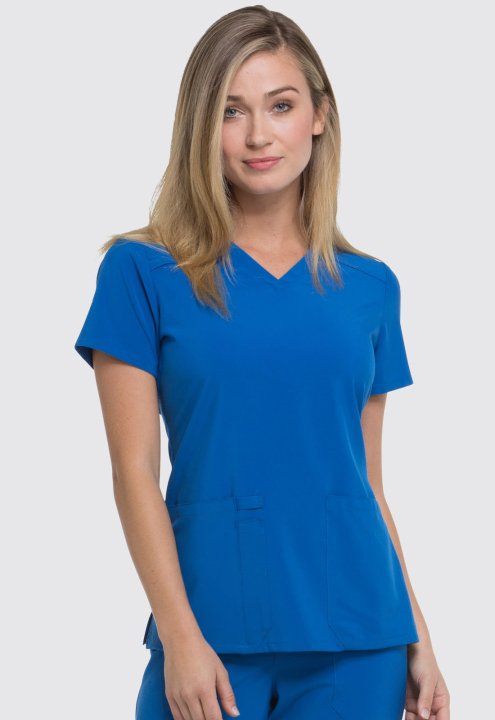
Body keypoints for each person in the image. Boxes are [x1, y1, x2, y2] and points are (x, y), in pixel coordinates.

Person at [74, 6, 450, 720]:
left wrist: (417, 636)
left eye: (280, 105)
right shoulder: (142, 272)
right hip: (209, 635)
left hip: (360, 637)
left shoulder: (369, 287)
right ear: (200, 125)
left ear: (319, 116)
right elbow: (132, 473)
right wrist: (180, 637)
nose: (257, 135)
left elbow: (365, 484)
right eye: (230, 110)